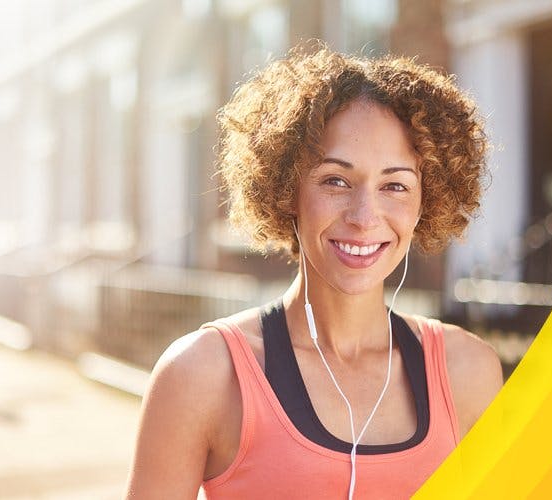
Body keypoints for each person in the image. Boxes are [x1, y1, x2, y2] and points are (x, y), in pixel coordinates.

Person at [124, 43, 503, 499]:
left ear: (427, 201)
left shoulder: (469, 371)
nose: (365, 215)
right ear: (287, 191)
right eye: (335, 180)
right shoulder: (202, 374)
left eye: (395, 185)